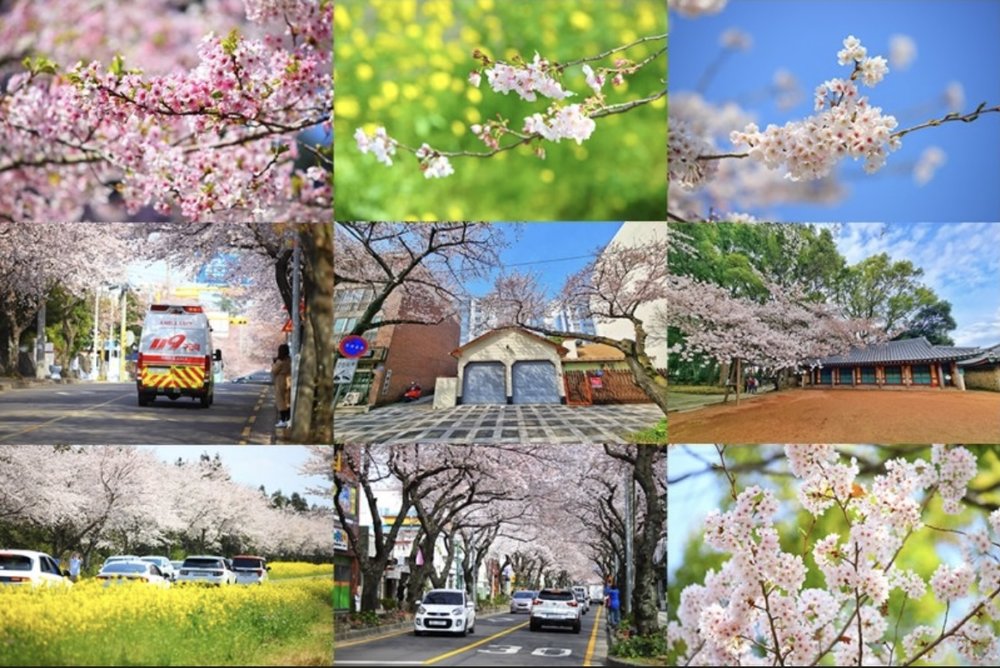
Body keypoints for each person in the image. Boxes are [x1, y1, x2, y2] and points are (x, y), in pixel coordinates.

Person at [271, 343, 292, 428]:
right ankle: (287, 419)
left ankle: (283, 420)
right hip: (289, 380)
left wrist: (274, 363)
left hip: (280, 381)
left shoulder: (280, 361)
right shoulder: (289, 360)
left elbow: (274, 371)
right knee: (287, 401)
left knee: (281, 402)